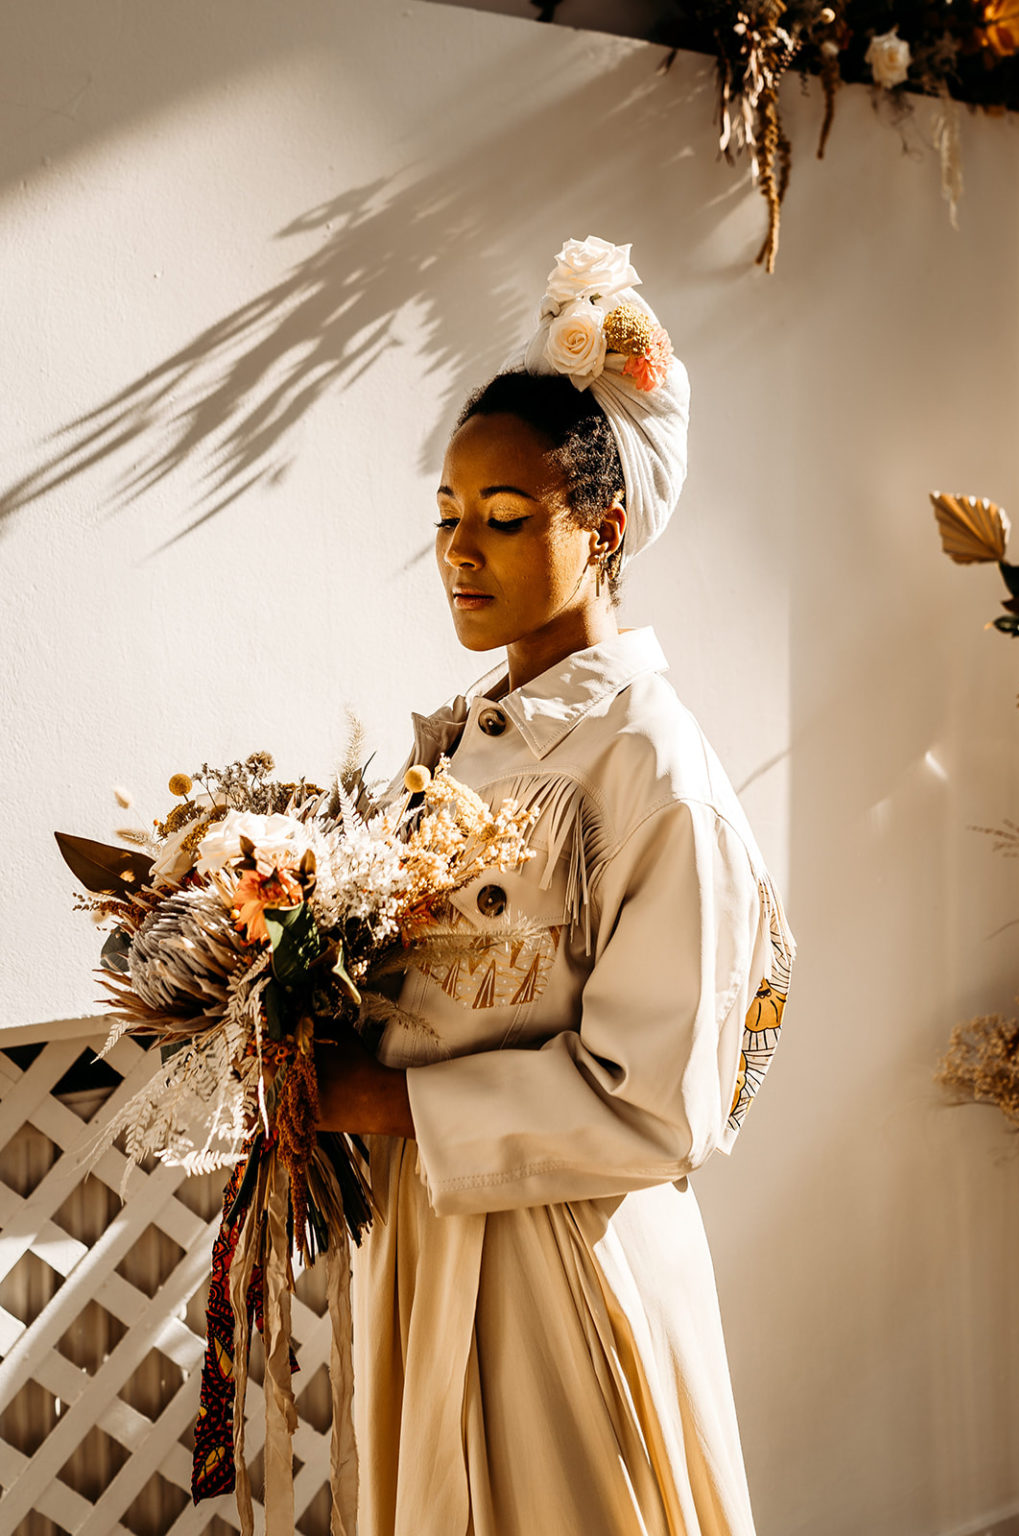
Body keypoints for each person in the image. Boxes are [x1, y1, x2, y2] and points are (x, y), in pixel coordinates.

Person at [315, 237, 797, 1536]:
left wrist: (388, 1099)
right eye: (447, 516)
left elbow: (663, 1112)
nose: (461, 551)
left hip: (563, 1275)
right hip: (430, 1247)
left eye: (507, 518)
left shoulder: (655, 769)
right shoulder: (465, 741)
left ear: (606, 527)